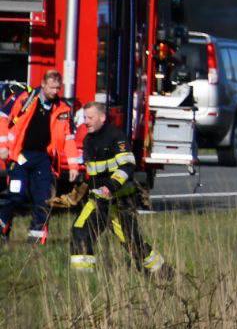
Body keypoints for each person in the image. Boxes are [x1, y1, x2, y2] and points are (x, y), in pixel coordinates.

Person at [69, 102, 170, 278]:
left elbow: (128, 165)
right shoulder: (88, 139)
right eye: (85, 117)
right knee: (80, 230)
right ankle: (83, 280)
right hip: (99, 201)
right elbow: (93, 174)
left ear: (102, 117)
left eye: (90, 118)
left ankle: (162, 272)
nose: (86, 121)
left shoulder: (116, 137)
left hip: (120, 201)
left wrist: (110, 186)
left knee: (132, 242)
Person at [0, 71, 80, 243]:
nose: (54, 91)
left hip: (44, 159)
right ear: (43, 84)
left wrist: (73, 166)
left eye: (58, 88)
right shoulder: (24, 99)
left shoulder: (63, 109)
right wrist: (3, 147)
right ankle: (3, 227)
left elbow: (68, 139)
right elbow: (3, 119)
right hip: (20, 156)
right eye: (51, 87)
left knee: (43, 200)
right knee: (16, 194)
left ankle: (36, 241)